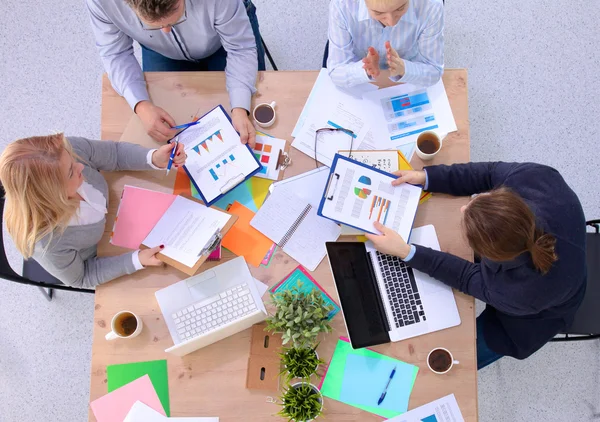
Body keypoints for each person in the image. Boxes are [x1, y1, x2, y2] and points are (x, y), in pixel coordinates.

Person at [365, 162, 587, 369]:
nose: (464, 209)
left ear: (492, 256)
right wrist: (427, 177)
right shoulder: (536, 179)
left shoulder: (518, 292)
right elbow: (489, 172)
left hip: (530, 320)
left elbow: (466, 277)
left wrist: (405, 251)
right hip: (563, 263)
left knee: (447, 361)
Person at [0, 134, 187, 289]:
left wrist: (152, 158)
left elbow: (114, 153)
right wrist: (136, 260)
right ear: (52, 195)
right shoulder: (48, 243)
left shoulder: (65, 151)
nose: (80, 165)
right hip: (101, 251)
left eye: (72, 160)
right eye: (71, 172)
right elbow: (82, 277)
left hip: (121, 212)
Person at [86, 0, 261, 145]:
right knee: (165, 131)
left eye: (173, 18)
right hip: (159, 49)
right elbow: (116, 53)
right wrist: (141, 105)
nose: (166, 30)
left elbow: (241, 48)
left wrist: (239, 109)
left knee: (254, 105)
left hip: (223, 40)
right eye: (154, 25)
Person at [326, 0, 444, 88]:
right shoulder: (342, 5)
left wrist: (404, 68)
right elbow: (336, 71)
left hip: (407, 82)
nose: (391, 22)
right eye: (378, 12)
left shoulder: (431, 6)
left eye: (400, 8)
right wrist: (363, 70)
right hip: (359, 85)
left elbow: (434, 70)